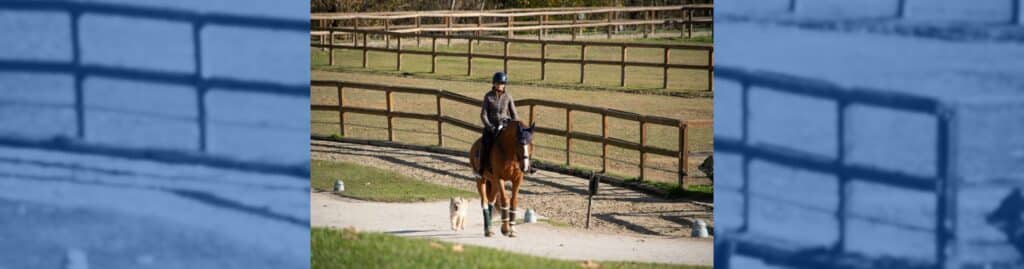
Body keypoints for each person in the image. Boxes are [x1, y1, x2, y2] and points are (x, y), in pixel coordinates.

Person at [478, 72, 518, 175]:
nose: (499, 85)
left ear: (504, 84)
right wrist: (489, 126)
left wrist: (516, 127)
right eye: (497, 83)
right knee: (485, 143)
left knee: (521, 143)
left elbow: (514, 114)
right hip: (491, 126)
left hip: (505, 126)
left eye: (501, 83)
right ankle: (482, 167)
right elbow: (483, 114)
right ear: (494, 84)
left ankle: (525, 166)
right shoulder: (488, 96)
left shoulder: (508, 96)